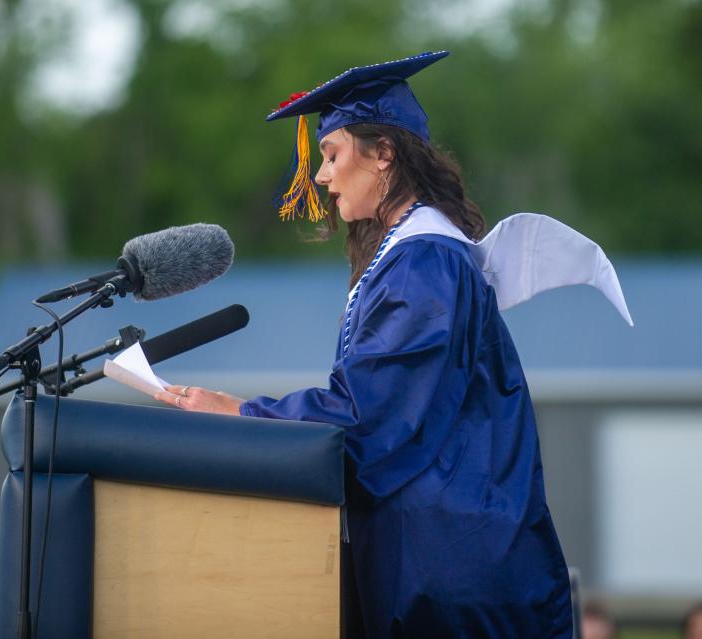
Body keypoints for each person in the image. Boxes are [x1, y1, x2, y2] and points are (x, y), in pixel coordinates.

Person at [155, 50, 630, 638]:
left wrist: (243, 414)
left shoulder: (426, 261)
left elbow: (371, 416)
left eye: (331, 154)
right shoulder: (410, 258)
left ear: (384, 153)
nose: (321, 176)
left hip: (449, 578)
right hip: (438, 566)